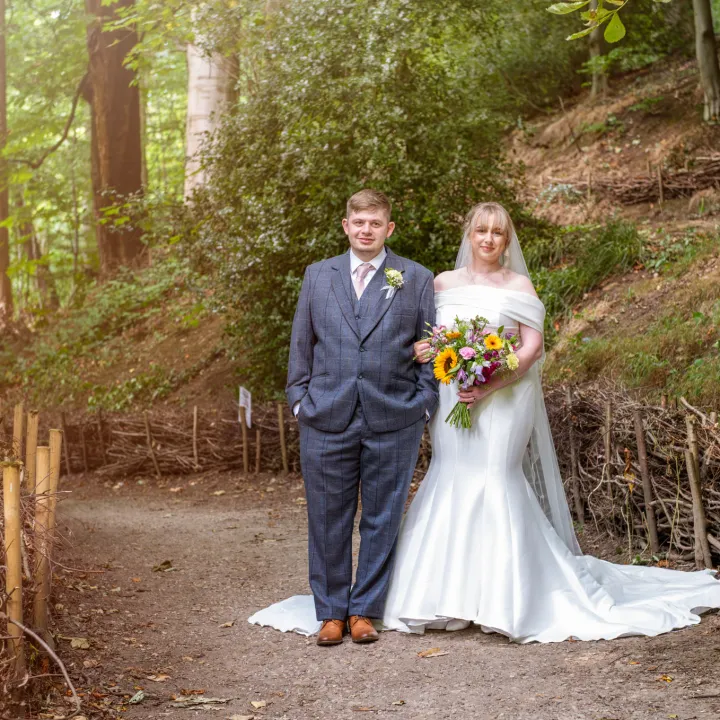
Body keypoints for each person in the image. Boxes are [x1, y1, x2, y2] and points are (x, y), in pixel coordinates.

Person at [251, 200, 720, 644]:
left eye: (498, 232)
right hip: (450, 397)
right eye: (482, 230)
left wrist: (487, 383)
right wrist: (426, 366)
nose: (489, 238)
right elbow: (424, 340)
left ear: (507, 238)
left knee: (485, 483)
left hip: (499, 401)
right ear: (469, 235)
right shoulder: (437, 283)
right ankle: (416, 599)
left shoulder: (513, 287)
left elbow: (532, 348)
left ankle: (499, 598)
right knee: (445, 481)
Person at [250, 189, 438, 645]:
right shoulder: (318, 276)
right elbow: (301, 344)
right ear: (346, 226)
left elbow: (432, 344)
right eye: (359, 222)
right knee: (328, 516)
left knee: (382, 516)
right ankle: (331, 611)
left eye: (376, 223)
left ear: (389, 228)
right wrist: (300, 401)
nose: (367, 230)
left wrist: (424, 401)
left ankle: (365, 611)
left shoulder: (414, 278)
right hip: (326, 416)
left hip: (393, 416)